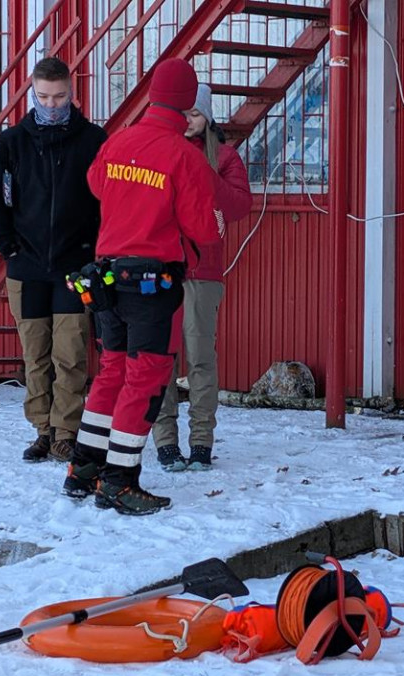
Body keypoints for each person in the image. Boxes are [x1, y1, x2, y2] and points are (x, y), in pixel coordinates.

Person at [62, 58, 223, 515]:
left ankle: (84, 467)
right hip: (153, 284)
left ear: (152, 94)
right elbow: (205, 231)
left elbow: (95, 186)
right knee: (146, 378)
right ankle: (119, 481)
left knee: (111, 370)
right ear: (188, 103)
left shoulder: (119, 142)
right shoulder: (184, 157)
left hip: (108, 278)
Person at [0, 57, 107, 463]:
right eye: (44, 97)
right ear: (32, 93)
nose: (52, 104)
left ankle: (65, 433)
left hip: (75, 266)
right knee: (35, 356)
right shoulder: (12, 142)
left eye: (60, 96)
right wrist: (8, 246)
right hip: (26, 267)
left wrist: (95, 250)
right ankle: (42, 429)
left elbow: (108, 200)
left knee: (70, 355)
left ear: (72, 92)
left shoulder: (93, 140)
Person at [152, 84, 252, 471]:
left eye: (194, 113)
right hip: (161, 267)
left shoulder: (224, 156)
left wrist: (200, 172)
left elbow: (240, 203)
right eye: (182, 113)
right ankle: (164, 442)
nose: (186, 121)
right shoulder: (161, 151)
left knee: (200, 361)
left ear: (208, 117)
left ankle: (201, 442)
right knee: (160, 358)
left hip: (202, 271)